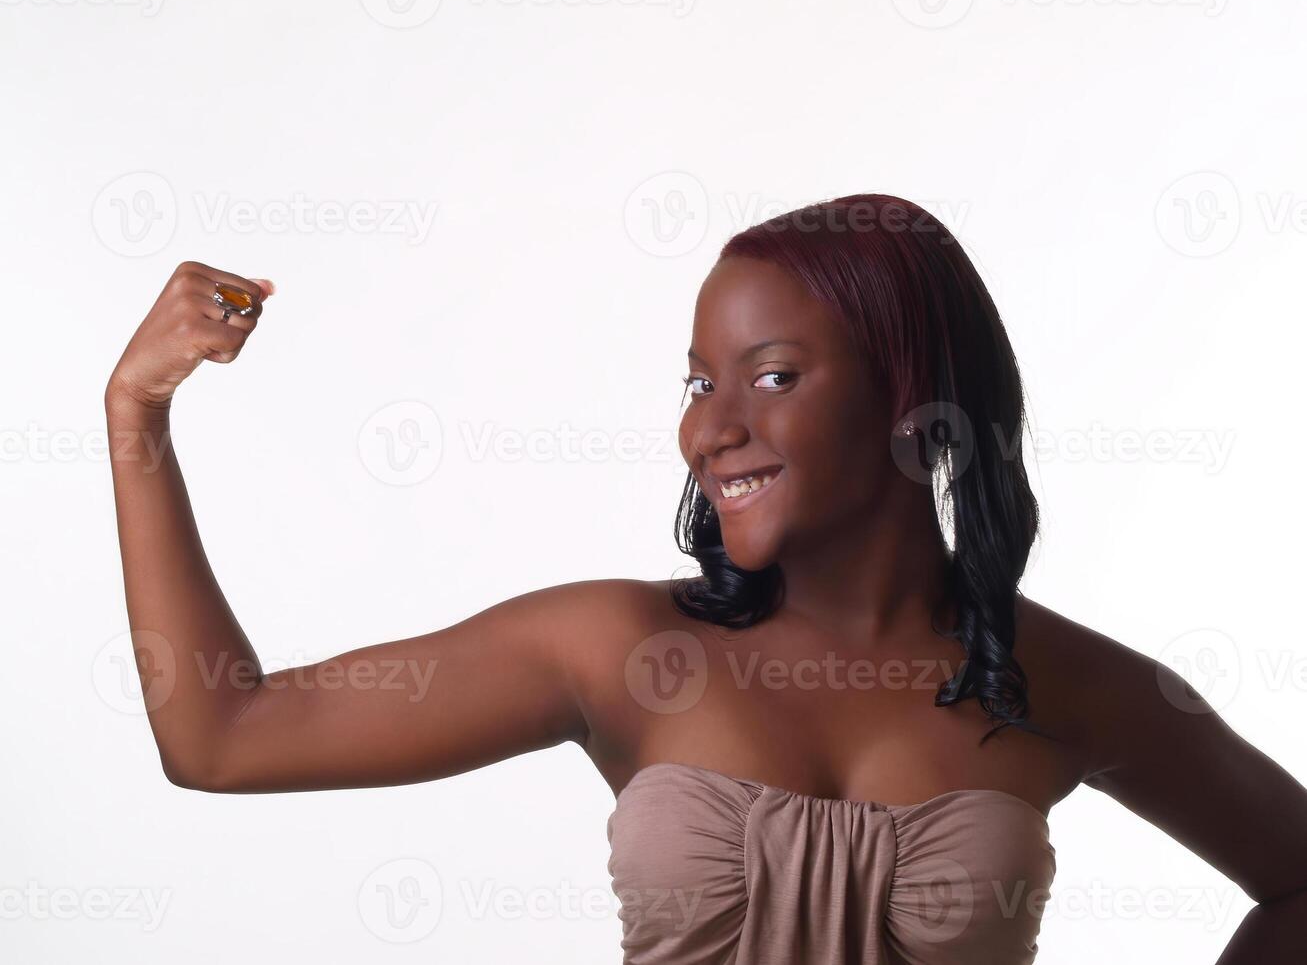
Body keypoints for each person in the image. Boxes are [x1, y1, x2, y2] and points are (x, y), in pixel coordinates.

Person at [103, 194, 1307, 963]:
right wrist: (137, 409)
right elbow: (220, 733)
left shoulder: (1062, 680)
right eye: (696, 382)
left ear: (911, 393)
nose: (710, 428)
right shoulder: (615, 646)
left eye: (771, 376)